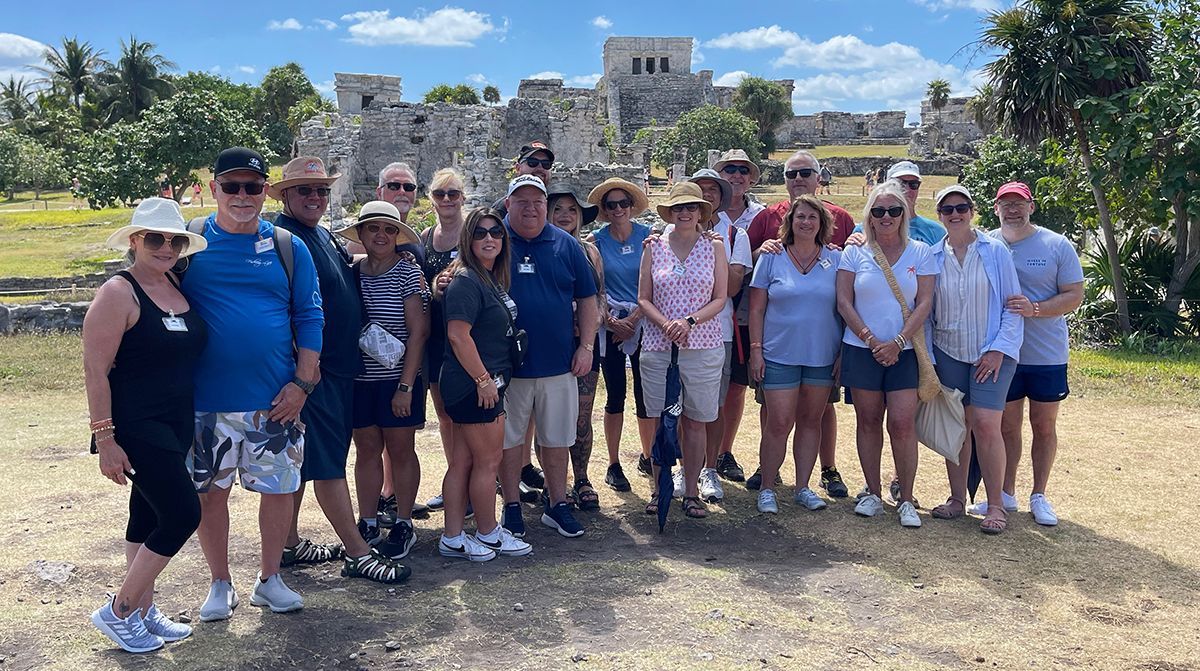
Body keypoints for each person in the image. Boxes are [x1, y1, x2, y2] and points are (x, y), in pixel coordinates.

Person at [183, 147, 323, 619]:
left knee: (279, 490)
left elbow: (309, 314)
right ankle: (219, 583)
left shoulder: (288, 246)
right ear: (213, 189)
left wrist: (303, 383)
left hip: (274, 399)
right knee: (209, 494)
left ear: (266, 190)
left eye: (253, 186)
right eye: (231, 186)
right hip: (207, 399)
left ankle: (270, 579)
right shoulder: (191, 242)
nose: (242, 196)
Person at [269, 158, 410, 582]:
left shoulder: (317, 236)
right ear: (286, 196)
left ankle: (289, 544)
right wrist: (304, 373)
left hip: (332, 368)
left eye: (321, 191)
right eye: (304, 191)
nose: (315, 197)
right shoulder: (285, 238)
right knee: (328, 463)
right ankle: (358, 550)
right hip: (317, 371)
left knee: (302, 460)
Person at [84, 198, 208, 653]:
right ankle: (119, 609)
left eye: (174, 240)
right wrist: (106, 438)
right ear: (135, 241)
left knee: (148, 514)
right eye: (154, 238)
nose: (165, 247)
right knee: (181, 514)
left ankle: (141, 611)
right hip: (136, 424)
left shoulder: (175, 284)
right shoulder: (118, 292)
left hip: (175, 423)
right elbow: (95, 371)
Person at [746, 150, 858, 498]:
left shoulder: (837, 258)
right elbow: (757, 309)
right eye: (800, 217)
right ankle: (767, 485)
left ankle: (804, 486)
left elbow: (846, 305)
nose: (806, 222)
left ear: (823, 222)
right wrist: (755, 351)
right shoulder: (772, 255)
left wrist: (842, 352)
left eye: (812, 217)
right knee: (778, 422)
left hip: (821, 354)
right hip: (779, 352)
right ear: (789, 221)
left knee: (812, 422)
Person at [976, 181, 1084, 526]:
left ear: (1031, 207)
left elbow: (1074, 295)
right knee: (1007, 426)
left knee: (1043, 425)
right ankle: (1006, 493)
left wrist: (1035, 309)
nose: (1012, 209)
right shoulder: (987, 243)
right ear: (995, 209)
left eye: (1018, 203)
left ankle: (1039, 494)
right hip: (1003, 353)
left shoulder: (1056, 244)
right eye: (1005, 204)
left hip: (1046, 353)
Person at [498, 175, 599, 539]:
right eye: (521, 201)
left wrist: (586, 347)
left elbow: (588, 298)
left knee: (556, 439)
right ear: (507, 204)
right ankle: (510, 505)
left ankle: (556, 504)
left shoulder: (566, 244)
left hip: (559, 363)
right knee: (509, 441)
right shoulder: (494, 240)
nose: (530, 208)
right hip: (508, 367)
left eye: (537, 202)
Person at [836, 181, 938, 528]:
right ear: (869, 216)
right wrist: (869, 338)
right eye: (878, 211)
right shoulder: (854, 252)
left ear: (904, 213)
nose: (886, 217)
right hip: (861, 348)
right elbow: (844, 301)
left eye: (894, 210)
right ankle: (873, 493)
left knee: (902, 424)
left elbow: (924, 302)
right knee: (867, 421)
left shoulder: (920, 252)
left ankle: (906, 498)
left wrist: (897, 341)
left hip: (905, 351)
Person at [926, 185, 1024, 534]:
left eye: (961, 207)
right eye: (948, 209)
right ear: (939, 215)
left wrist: (998, 349)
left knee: (985, 425)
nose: (955, 214)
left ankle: (995, 505)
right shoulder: (932, 256)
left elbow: (1014, 306)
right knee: (956, 428)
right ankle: (957, 498)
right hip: (948, 351)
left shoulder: (995, 252)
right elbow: (926, 310)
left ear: (973, 210)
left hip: (991, 354)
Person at [338, 201, 431, 559]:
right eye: (373, 228)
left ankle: (404, 521)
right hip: (361, 378)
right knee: (366, 450)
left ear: (398, 235)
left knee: (401, 449)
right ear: (361, 234)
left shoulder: (407, 273)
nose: (381, 235)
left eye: (389, 229)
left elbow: (418, 332)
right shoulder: (352, 272)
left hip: (397, 377)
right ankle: (369, 519)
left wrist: (406, 386)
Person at [438, 208, 533, 561]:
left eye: (496, 232)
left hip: (482, 382)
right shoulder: (466, 280)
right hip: (475, 384)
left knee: (463, 462)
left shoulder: (487, 277)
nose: (489, 238)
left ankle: (453, 536)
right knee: (488, 461)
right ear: (467, 239)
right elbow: (458, 336)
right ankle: (490, 532)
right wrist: (483, 380)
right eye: (480, 233)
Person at [637, 182, 729, 520]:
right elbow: (643, 297)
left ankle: (691, 492)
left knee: (694, 422)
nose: (685, 212)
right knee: (662, 423)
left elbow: (720, 297)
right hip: (660, 344)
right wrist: (666, 324)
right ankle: (660, 488)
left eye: (691, 207)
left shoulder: (714, 247)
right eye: (679, 208)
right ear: (670, 212)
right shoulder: (654, 246)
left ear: (700, 212)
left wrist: (689, 321)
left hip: (702, 344)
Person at [682, 168, 749, 503]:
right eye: (700, 189)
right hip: (677, 331)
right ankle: (686, 466)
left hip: (716, 330)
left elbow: (733, 285)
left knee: (713, 406)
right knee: (679, 405)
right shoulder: (670, 233)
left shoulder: (734, 236)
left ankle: (709, 467)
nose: (706, 194)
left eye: (713, 190)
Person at [586, 178, 654, 493]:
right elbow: (595, 287)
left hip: (644, 322)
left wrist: (636, 318)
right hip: (610, 323)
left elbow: (656, 281)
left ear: (631, 206)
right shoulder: (596, 241)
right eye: (611, 205)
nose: (617, 210)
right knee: (615, 394)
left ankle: (648, 454)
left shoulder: (648, 238)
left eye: (622, 204)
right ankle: (613, 462)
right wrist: (612, 321)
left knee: (645, 394)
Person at [709, 149, 766, 486]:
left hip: (749, 310)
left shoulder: (760, 216)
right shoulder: (700, 217)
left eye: (743, 171)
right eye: (729, 170)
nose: (737, 176)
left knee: (736, 387)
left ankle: (723, 450)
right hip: (722, 309)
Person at [548, 185, 605, 509]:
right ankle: (555, 483)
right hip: (549, 342)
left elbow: (600, 295)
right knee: (550, 417)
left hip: (582, 340)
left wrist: (591, 325)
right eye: (558, 209)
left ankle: (581, 477)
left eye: (572, 209)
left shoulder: (589, 251)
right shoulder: (537, 249)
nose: (566, 215)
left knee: (582, 416)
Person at [418, 168, 469, 515]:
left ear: (463, 197)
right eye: (440, 194)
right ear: (431, 198)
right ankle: (456, 483)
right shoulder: (425, 236)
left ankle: (469, 485)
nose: (447, 200)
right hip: (436, 337)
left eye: (453, 194)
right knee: (446, 416)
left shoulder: (473, 232)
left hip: (468, 335)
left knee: (468, 416)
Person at [492, 142, 554, 218]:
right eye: (532, 162)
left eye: (546, 164)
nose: (540, 168)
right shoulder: (501, 209)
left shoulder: (556, 206)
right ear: (518, 168)